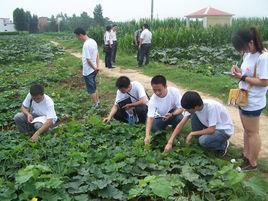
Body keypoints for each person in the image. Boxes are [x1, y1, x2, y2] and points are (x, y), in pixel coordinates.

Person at [230, 27, 268, 170]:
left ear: (251, 42)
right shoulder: (248, 54)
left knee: (253, 132)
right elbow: (247, 73)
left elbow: (264, 82)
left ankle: (252, 163)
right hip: (244, 97)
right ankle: (246, 156)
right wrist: (238, 72)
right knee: (247, 130)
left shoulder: (263, 57)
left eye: (243, 47)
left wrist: (243, 77)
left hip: (254, 100)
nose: (243, 50)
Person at [164, 91, 234, 156]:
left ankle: (223, 145)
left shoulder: (211, 107)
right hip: (210, 126)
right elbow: (180, 124)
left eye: (187, 109)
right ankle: (201, 137)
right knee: (193, 115)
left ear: (196, 106)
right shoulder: (194, 108)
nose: (185, 110)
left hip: (223, 130)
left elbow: (212, 130)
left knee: (203, 141)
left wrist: (192, 133)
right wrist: (170, 142)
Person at [144, 75, 183, 145]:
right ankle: (164, 130)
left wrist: (172, 114)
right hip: (161, 117)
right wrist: (147, 135)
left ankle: (175, 133)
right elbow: (150, 117)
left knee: (180, 118)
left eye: (159, 90)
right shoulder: (153, 100)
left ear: (165, 86)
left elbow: (181, 108)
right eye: (154, 90)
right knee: (153, 128)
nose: (157, 93)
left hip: (173, 114)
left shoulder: (174, 92)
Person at [74, 27, 100, 108]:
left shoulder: (86, 44)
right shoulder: (93, 41)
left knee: (91, 89)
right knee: (94, 86)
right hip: (94, 69)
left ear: (80, 35)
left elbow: (88, 60)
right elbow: (97, 55)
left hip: (88, 70)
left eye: (77, 36)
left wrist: (95, 68)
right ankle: (98, 101)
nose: (77, 38)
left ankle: (96, 104)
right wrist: (97, 67)